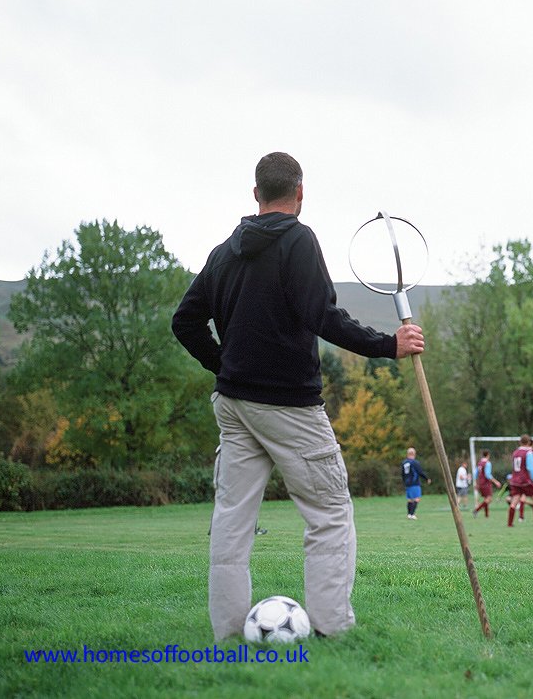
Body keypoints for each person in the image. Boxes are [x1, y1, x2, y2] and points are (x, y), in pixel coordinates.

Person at [172, 151, 424, 641]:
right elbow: (323, 317)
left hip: (233, 405)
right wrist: (388, 345)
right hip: (290, 407)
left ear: (255, 194)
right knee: (329, 513)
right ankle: (333, 630)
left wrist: (222, 363)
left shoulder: (223, 252)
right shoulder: (299, 239)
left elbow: (184, 321)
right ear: (300, 193)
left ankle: (227, 634)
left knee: (231, 522)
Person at [507, 435, 533, 527]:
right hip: (525, 480)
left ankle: (510, 523)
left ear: (520, 442)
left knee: (514, 501)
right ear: (528, 442)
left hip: (515, 480)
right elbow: (529, 468)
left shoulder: (515, 452)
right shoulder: (528, 452)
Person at [401, 447, 432, 520]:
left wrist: (404, 482)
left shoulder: (404, 463)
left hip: (407, 483)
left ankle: (409, 514)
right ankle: (412, 514)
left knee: (410, 499)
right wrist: (427, 478)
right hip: (414, 483)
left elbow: (402, 474)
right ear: (414, 454)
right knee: (416, 499)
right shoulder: (414, 462)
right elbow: (420, 472)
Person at [472, 450, 502, 518]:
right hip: (486, 483)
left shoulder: (479, 463)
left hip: (480, 483)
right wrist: (496, 482)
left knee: (486, 499)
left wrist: (476, 484)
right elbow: (487, 475)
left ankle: (486, 515)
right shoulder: (487, 463)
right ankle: (476, 510)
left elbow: (475, 474)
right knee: (489, 499)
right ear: (488, 455)